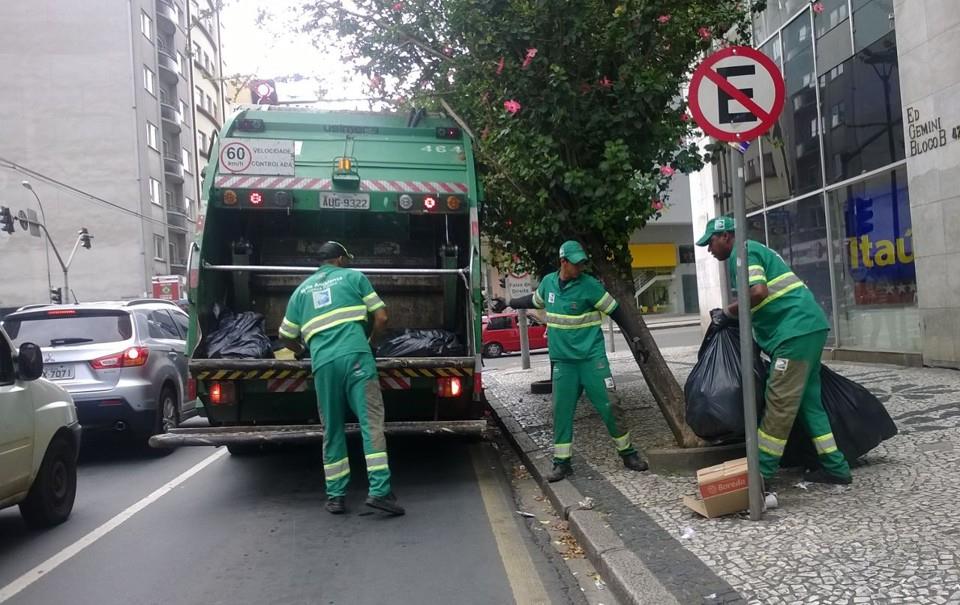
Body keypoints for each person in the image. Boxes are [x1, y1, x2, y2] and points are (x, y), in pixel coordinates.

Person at [696, 217, 851, 485]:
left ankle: (762, 475)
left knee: (778, 401)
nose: (709, 250)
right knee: (809, 403)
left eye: (710, 243)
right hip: (808, 328)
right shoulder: (753, 250)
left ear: (725, 236)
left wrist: (727, 312)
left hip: (794, 333)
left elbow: (758, 292)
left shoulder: (742, 253)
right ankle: (836, 468)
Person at [498, 241, 648, 482]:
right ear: (563, 262)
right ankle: (562, 463)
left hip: (592, 359)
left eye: (582, 263)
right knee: (561, 411)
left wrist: (636, 338)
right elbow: (532, 301)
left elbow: (617, 312)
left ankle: (628, 454)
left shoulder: (590, 286)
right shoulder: (548, 284)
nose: (580, 267)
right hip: (564, 364)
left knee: (610, 405)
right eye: (576, 263)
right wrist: (508, 302)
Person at [279, 241, 404, 516]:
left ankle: (336, 497)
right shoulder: (354, 277)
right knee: (371, 424)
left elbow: (285, 335)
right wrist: (371, 342)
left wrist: (303, 350)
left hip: (323, 364)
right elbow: (382, 317)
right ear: (339, 259)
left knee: (332, 429)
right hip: (357, 356)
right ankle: (380, 492)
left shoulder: (300, 292)